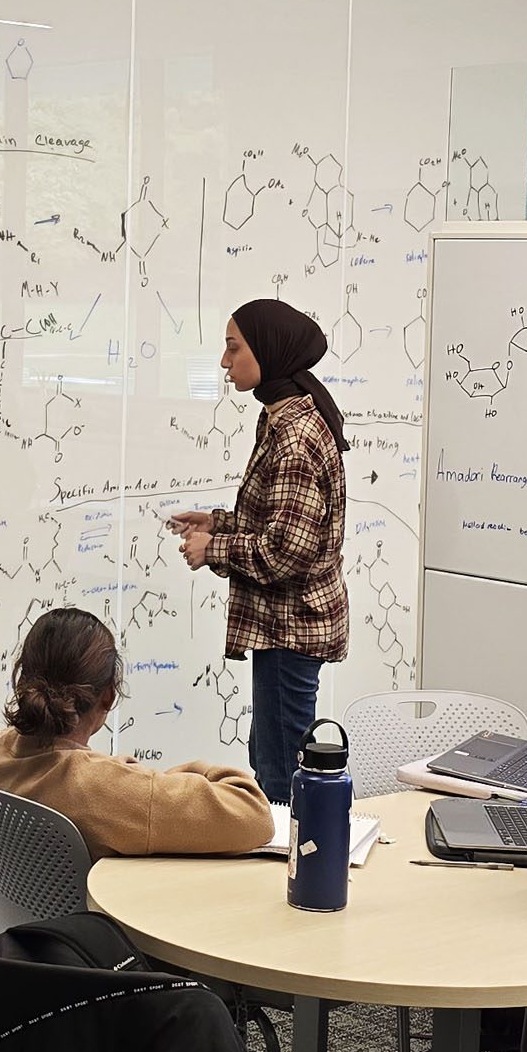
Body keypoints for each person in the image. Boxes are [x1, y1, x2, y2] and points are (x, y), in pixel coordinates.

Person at [171, 299, 349, 801]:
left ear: (267, 351)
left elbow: (284, 554)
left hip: (290, 628)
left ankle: (301, 872)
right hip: (283, 626)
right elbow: (278, 521)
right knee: (271, 758)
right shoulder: (279, 417)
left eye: (233, 348)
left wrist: (214, 550)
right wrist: (217, 523)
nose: (225, 363)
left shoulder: (294, 437)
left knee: (283, 773)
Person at [0, 607, 272, 858]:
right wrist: (181, 774)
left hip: (17, 919)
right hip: (99, 925)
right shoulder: (110, 791)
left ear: (24, 678)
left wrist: (130, 778)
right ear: (109, 696)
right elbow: (254, 814)